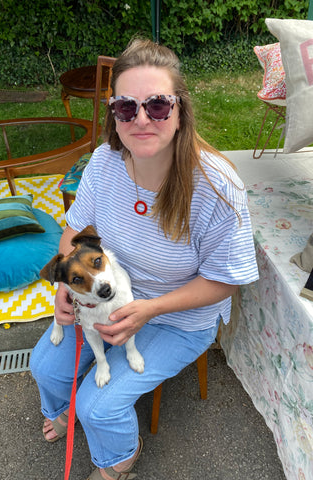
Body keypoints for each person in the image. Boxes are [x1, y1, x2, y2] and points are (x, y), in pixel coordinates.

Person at [30, 37, 259, 480]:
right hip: (106, 297)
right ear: (114, 114)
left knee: (99, 406)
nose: (141, 119)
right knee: (43, 367)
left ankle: (118, 461)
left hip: (176, 316)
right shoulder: (103, 163)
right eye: (125, 108)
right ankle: (63, 410)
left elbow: (225, 280)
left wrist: (148, 310)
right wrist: (63, 285)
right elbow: (73, 234)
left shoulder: (216, 186)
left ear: (179, 111)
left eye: (157, 106)